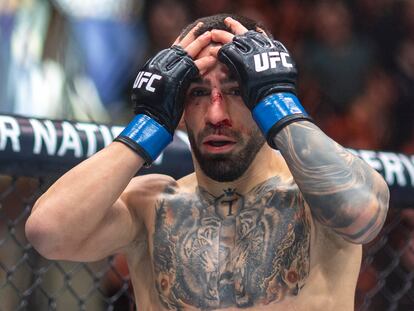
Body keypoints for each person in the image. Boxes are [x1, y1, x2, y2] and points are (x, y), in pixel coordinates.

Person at [25, 13, 390, 310]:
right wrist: (149, 123)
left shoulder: (317, 196)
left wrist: (278, 103)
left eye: (236, 91)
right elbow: (48, 233)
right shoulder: (151, 207)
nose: (217, 114)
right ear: (178, 108)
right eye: (198, 93)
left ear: (263, 94)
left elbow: (363, 214)